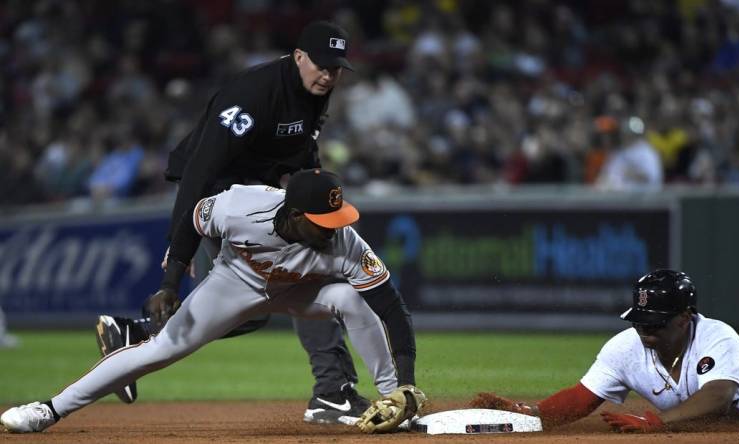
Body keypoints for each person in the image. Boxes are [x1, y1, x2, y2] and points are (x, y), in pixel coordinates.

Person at [0, 169, 426, 434]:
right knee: (161, 350)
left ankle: (394, 400)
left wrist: (406, 381)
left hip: (298, 290)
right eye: (323, 223)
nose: (333, 230)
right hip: (234, 283)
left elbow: (391, 307)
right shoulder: (241, 207)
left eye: (337, 220)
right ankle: (48, 410)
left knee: (352, 299)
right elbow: (193, 219)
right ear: (295, 215)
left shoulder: (345, 241)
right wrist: (170, 281)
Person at [93, 20, 370, 424]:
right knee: (310, 275)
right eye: (321, 65)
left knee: (251, 312)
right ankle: (332, 391)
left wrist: (318, 204)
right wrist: (174, 266)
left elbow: (303, 155)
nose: (329, 74)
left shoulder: (314, 91)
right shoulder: (252, 96)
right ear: (298, 57)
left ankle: (140, 334)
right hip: (218, 194)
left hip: (257, 190)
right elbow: (199, 176)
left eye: (336, 68)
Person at [471, 269, 739, 431]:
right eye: (640, 321)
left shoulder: (717, 336)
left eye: (656, 322)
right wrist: (532, 413)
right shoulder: (626, 347)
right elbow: (581, 398)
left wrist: (658, 421)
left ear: (684, 318)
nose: (645, 329)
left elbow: (718, 397)